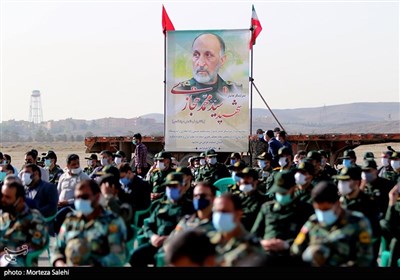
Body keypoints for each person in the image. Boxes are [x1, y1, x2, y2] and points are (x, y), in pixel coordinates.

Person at [290, 181, 374, 267]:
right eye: (318, 209)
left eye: (326, 209)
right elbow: (295, 250)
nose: (322, 214)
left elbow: (365, 259)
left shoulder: (358, 222)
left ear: (337, 204)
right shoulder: (313, 222)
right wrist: (310, 252)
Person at [52, 179, 127, 267]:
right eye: (77, 197)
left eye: (84, 197)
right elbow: (57, 249)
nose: (80, 201)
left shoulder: (112, 222)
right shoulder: (71, 220)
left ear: (97, 197)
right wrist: (60, 264)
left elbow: (118, 256)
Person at [171, 33, 242, 104]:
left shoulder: (235, 91)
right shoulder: (180, 91)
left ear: (222, 60)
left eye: (208, 55)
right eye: (196, 55)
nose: (201, 64)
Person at [0, 180, 49, 267]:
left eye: (7, 197)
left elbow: (36, 244)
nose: (2, 200)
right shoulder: (4, 217)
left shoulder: (34, 218)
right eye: (2, 196)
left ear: (20, 200)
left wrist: (8, 253)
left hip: (19, 260)